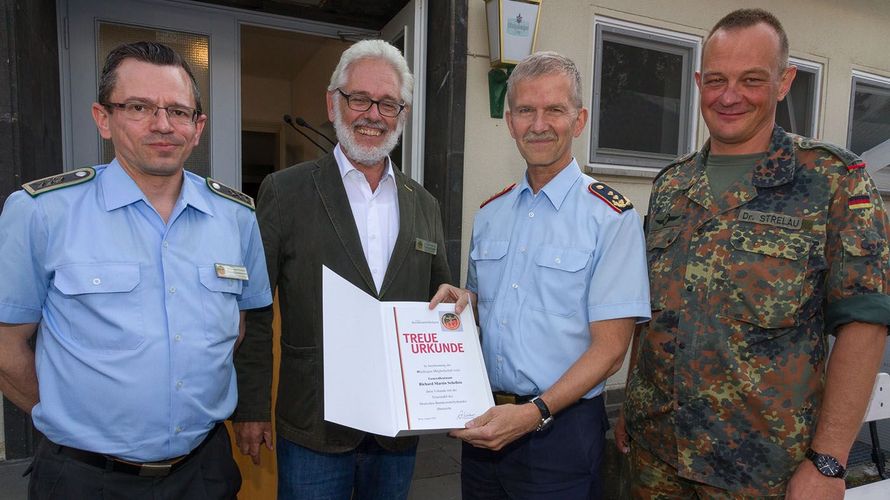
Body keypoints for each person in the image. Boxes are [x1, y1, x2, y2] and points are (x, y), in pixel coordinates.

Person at [617, 8, 890, 499]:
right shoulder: (671, 184)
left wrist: (828, 462)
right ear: (699, 81)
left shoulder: (833, 181)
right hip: (654, 453)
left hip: (761, 468)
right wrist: (629, 414)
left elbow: (865, 324)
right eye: (717, 79)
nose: (729, 96)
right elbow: (651, 311)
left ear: (784, 82)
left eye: (752, 80)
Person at [0, 41, 272, 499]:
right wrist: (67, 417)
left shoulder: (237, 217)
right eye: (139, 107)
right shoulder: (41, 213)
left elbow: (239, 327)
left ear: (198, 127)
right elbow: (7, 344)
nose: (162, 125)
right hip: (85, 479)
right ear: (103, 117)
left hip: (203, 472)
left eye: (178, 111)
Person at [232, 39, 452, 499]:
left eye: (388, 103)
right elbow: (252, 308)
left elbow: (439, 296)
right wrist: (251, 406)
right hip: (315, 424)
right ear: (333, 104)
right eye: (360, 99)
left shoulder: (425, 204)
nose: (373, 114)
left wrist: (456, 306)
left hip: (395, 429)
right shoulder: (284, 192)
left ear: (402, 116)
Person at [431, 51, 650, 499]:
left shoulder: (611, 218)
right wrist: (463, 301)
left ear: (580, 119)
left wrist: (535, 413)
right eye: (526, 110)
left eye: (555, 109)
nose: (539, 123)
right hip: (486, 422)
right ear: (509, 121)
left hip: (560, 435)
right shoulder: (490, 213)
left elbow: (611, 350)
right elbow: (490, 307)